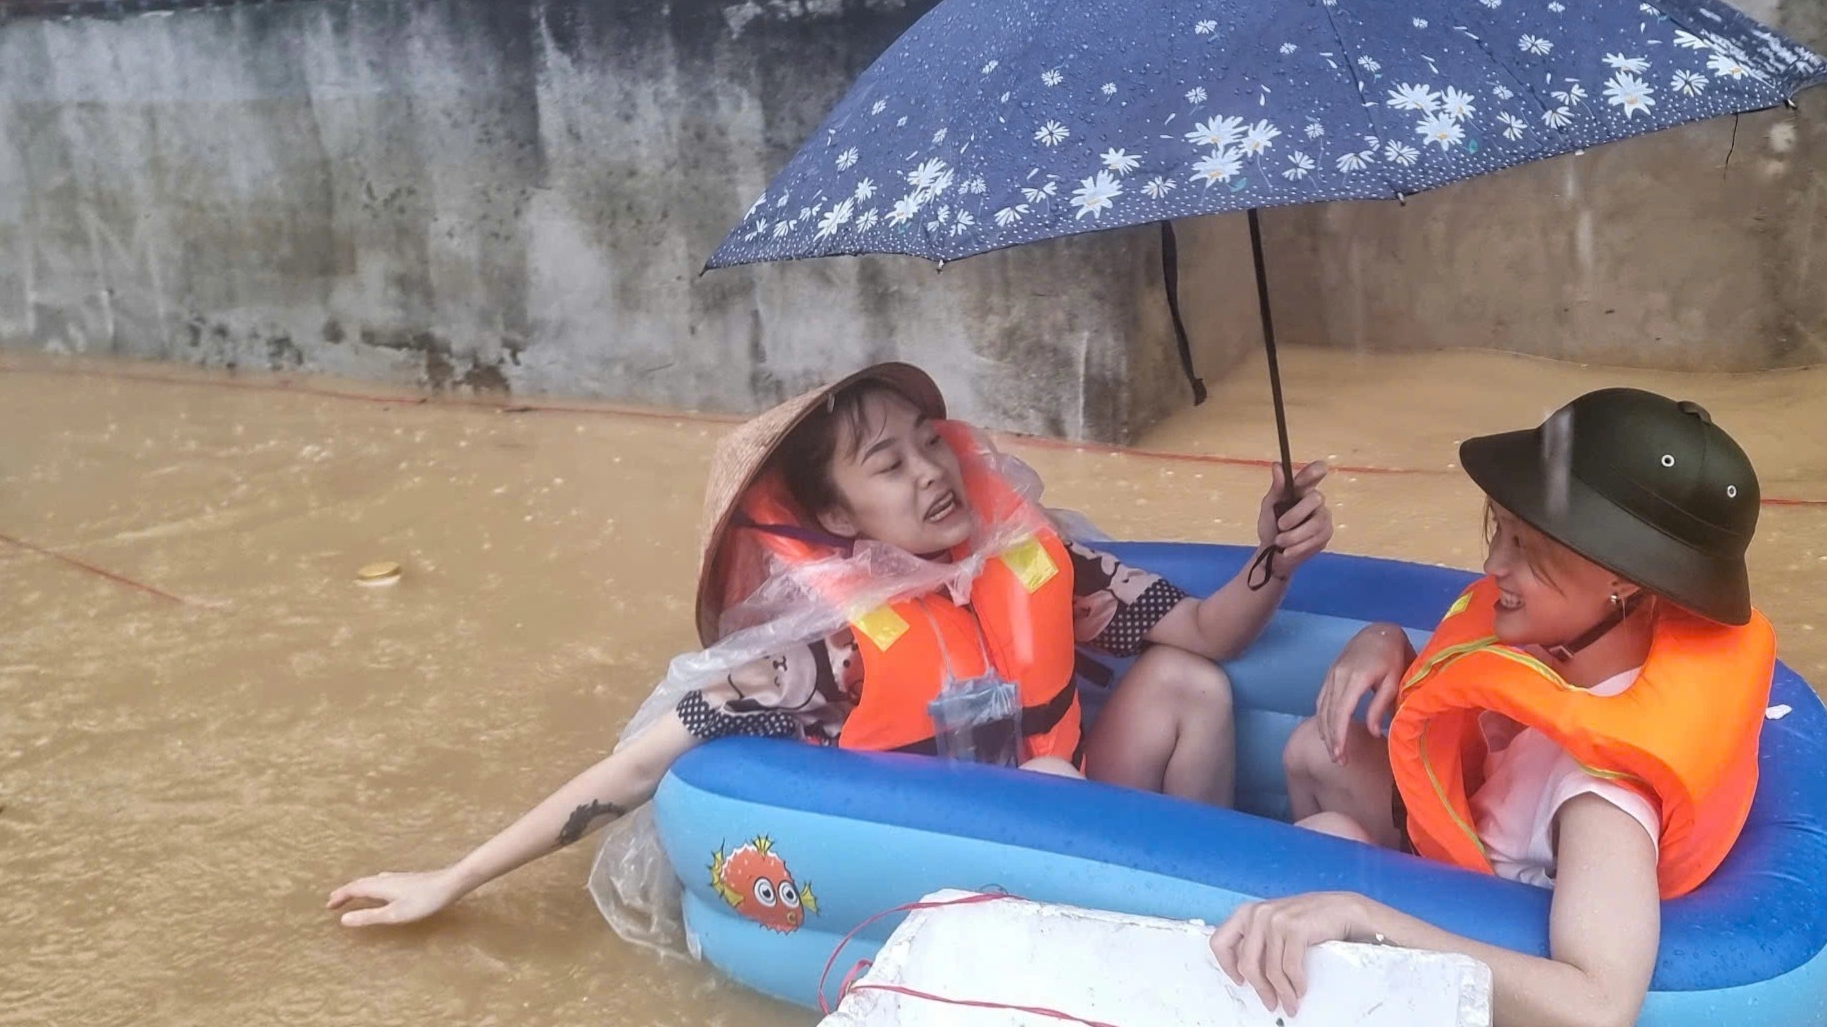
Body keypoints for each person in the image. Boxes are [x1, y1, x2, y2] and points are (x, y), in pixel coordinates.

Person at [329, 363, 1332, 928]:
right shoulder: (826, 659)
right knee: (1056, 785)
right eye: (886, 466)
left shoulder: (1034, 565)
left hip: (1086, 823)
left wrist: (1274, 560)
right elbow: (638, 763)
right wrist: (452, 877)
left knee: (1187, 685)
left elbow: (1205, 630)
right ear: (835, 519)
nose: (932, 473)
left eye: (930, 444)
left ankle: (1214, 906)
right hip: (945, 869)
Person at [1210, 387, 1774, 1027]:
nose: (1492, 567)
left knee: (1326, 843)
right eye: (1499, 531)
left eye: (1526, 546)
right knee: (1312, 750)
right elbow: (1489, 681)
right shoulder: (1589, 650)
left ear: (1625, 580)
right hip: (1457, 861)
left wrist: (1361, 918)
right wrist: (1387, 639)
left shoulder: (1601, 796)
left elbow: (1600, 1017)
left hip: (1456, 922)